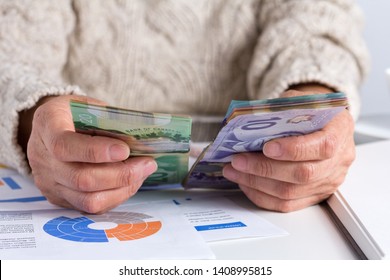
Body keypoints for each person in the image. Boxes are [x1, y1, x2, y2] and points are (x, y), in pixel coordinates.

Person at [0, 0, 369, 214]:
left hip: (257, 193)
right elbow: (10, 49)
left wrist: (313, 107)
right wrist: (36, 119)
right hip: (71, 183)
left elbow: (320, 26)